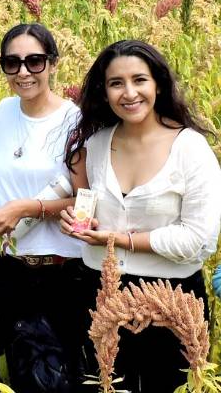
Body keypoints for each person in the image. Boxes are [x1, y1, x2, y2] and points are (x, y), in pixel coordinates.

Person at [61, 39, 221, 393]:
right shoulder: (97, 144)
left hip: (170, 302)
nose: (129, 93)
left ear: (158, 84)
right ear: (104, 92)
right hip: (98, 293)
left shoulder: (190, 149)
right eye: (116, 83)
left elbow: (199, 240)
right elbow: (86, 203)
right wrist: (77, 219)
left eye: (139, 80)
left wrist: (118, 240)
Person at [0, 23, 87, 392]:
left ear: (53, 63)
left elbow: (86, 200)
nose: (23, 72)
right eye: (12, 63)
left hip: (60, 273)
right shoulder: (4, 110)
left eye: (35, 61)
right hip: (9, 267)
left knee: (60, 380)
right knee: (16, 376)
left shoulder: (75, 120)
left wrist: (28, 208)